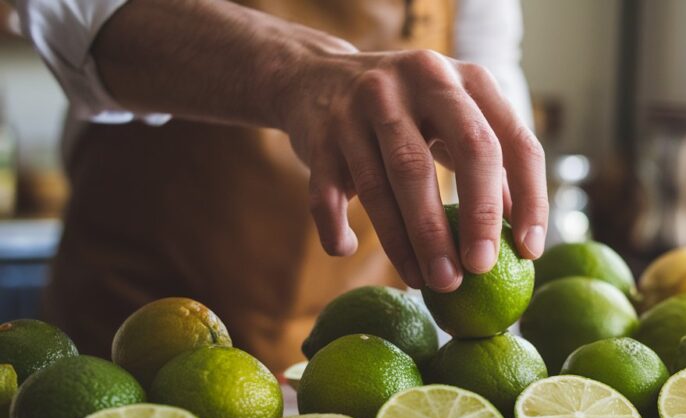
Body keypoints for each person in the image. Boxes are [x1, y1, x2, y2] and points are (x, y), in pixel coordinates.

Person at [12, 0, 548, 372]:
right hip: (135, 329)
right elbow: (73, 17)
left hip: (360, 357)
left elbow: (484, 67)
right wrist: (300, 71)